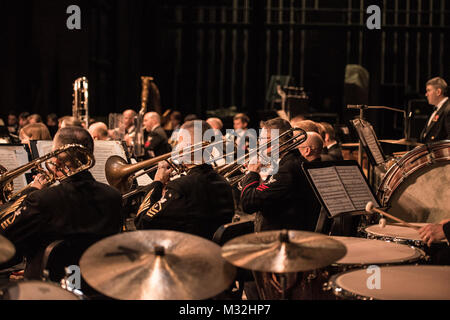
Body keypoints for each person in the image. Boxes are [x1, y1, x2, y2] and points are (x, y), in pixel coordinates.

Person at [0, 126, 123, 279]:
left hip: (46, 288)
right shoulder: (114, 196)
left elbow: (4, 235)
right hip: (94, 284)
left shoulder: (41, 199)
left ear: (56, 158)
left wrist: (30, 191)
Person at [135, 120, 235, 240]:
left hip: (186, 252)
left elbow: (142, 223)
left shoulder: (180, 187)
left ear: (188, 146)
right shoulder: (224, 182)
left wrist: (157, 182)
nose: (176, 147)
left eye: (179, 142)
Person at [240, 118, 320, 232]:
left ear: (273, 141)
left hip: (280, 237)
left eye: (261, 139)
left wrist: (252, 173)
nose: (258, 143)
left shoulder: (287, 169)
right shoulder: (295, 161)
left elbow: (248, 203)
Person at [420, 77, 450, 143]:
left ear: (438, 92)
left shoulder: (448, 109)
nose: (426, 94)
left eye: (428, 90)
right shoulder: (438, 108)